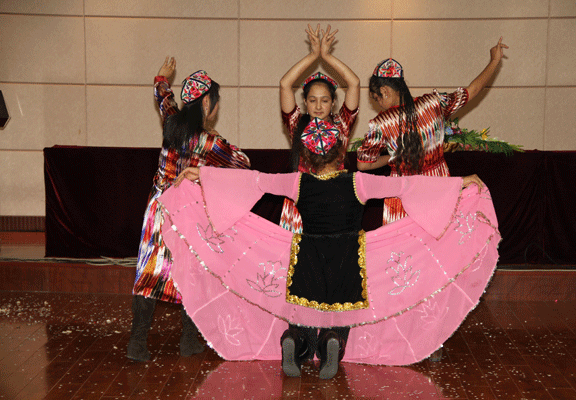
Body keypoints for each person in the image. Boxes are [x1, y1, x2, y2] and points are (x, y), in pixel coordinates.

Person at [160, 118, 500, 380]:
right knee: (341, 313)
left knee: (304, 311)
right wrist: (460, 183)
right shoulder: (359, 182)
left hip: (307, 256)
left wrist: (200, 174)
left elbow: (255, 179)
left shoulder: (297, 182)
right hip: (349, 260)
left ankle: (295, 340)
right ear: (341, 153)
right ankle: (332, 341)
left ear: (306, 157)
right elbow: (406, 185)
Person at [127, 57, 251, 362]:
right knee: (194, 274)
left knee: (150, 271)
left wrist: (162, 78)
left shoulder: (171, 123)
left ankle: (137, 343)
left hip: (158, 209)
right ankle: (188, 341)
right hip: (189, 215)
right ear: (207, 102)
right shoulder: (210, 142)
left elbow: (163, 97)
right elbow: (244, 163)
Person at [357, 38, 509, 225]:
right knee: (441, 240)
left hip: (404, 196)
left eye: (377, 99)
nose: (379, 105)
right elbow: (473, 90)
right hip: (439, 189)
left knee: (404, 243)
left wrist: (393, 158)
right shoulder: (434, 103)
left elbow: (363, 164)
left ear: (385, 91)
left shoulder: (381, 124)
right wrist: (494, 61)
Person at [279, 24, 360, 233]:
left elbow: (354, 83)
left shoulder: (341, 125)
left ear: (333, 103)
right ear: (305, 102)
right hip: (300, 203)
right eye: (312, 100)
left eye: (324, 100)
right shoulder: (297, 124)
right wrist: (313, 55)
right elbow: (285, 84)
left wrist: (326, 56)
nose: (318, 106)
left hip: (335, 201)